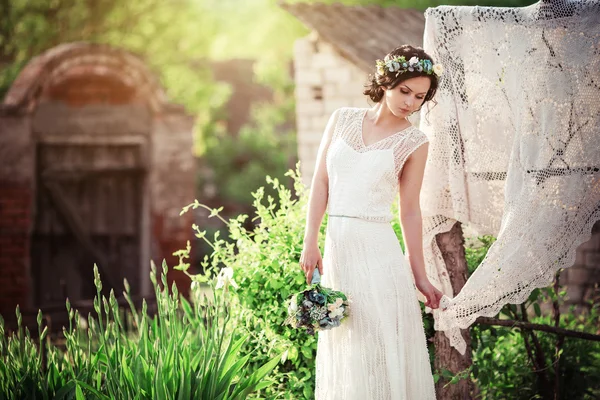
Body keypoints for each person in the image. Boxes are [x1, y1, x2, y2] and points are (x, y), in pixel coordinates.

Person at [299, 44, 444, 400]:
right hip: (338, 247)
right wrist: (310, 239)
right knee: (347, 342)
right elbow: (320, 181)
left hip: (378, 249)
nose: (410, 102)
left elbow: (409, 210)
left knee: (379, 340)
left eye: (420, 97)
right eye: (404, 91)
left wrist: (420, 274)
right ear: (386, 81)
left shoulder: (415, 141)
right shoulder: (341, 119)